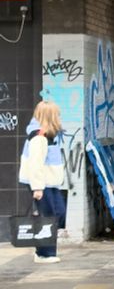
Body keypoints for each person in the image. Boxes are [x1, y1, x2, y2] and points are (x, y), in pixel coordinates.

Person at [18, 101, 66, 264]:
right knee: (49, 216)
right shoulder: (39, 137)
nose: (59, 117)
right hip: (41, 183)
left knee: (58, 212)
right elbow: (35, 164)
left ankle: (43, 251)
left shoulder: (48, 135)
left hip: (49, 182)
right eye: (57, 114)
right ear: (50, 116)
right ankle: (45, 254)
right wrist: (37, 188)